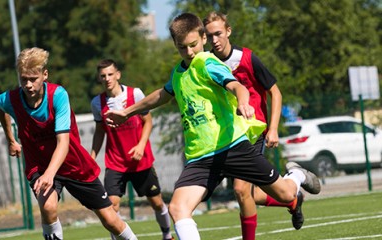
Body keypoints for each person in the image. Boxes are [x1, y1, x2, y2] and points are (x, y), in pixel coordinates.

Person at [104, 13, 320, 240]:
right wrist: (127, 112)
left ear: (203, 39)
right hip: (201, 157)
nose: (189, 52)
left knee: (285, 194)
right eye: (182, 48)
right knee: (178, 208)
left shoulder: (207, 63)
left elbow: (237, 86)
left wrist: (244, 103)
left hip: (233, 147)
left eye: (193, 45)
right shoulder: (178, 73)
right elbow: (162, 95)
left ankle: (296, 175)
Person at [0, 47, 138, 240]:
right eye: (23, 79)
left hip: (72, 163)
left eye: (33, 79)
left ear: (45, 75)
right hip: (39, 164)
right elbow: (0, 106)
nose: (28, 85)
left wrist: (50, 174)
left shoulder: (58, 96)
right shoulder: (10, 99)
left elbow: (63, 142)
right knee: (48, 206)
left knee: (110, 219)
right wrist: (11, 139)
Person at [203, 11, 310, 232]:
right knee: (251, 194)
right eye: (209, 35)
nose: (214, 40)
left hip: (253, 133)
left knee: (241, 190)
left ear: (228, 31)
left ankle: (296, 179)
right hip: (227, 136)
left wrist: (272, 129)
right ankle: (292, 199)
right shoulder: (206, 62)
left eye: (218, 33)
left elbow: (276, 93)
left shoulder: (247, 58)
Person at [90, 59, 174, 240]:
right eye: (103, 76)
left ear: (118, 75)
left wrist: (141, 145)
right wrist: (92, 156)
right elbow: (99, 132)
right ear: (99, 78)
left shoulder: (134, 94)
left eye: (110, 74)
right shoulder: (97, 103)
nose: (107, 79)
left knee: (157, 202)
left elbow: (148, 121)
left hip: (140, 160)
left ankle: (167, 235)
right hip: (115, 162)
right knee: (111, 206)